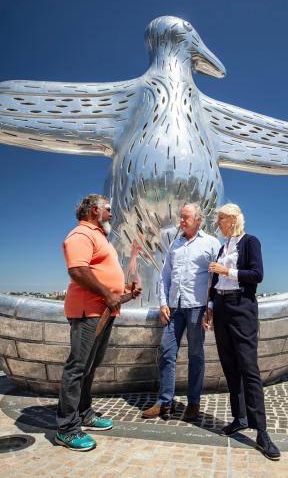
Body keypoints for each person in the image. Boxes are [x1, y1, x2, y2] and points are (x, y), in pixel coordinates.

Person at [56, 193, 142, 452]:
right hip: (88, 312)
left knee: (90, 367)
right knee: (77, 368)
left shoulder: (99, 237)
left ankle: (84, 413)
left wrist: (123, 290)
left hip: (103, 311)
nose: (111, 213)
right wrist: (108, 294)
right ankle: (67, 428)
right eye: (108, 209)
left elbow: (102, 275)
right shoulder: (81, 235)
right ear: (94, 210)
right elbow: (78, 270)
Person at [204, 203, 281, 461]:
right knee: (229, 366)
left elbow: (257, 275)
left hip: (242, 307)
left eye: (222, 219)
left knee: (249, 368)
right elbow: (215, 283)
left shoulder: (250, 242)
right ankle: (239, 418)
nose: (218, 223)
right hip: (223, 307)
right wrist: (211, 308)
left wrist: (226, 270)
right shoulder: (223, 246)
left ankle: (262, 432)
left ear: (233, 219)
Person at [141, 203, 220, 421]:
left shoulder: (211, 243)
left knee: (196, 356)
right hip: (174, 308)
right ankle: (164, 402)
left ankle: (193, 403)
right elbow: (165, 277)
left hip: (196, 308)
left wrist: (210, 308)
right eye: (181, 218)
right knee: (167, 353)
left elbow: (217, 279)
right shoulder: (175, 245)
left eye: (186, 218)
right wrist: (163, 303)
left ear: (198, 220)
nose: (181, 221)